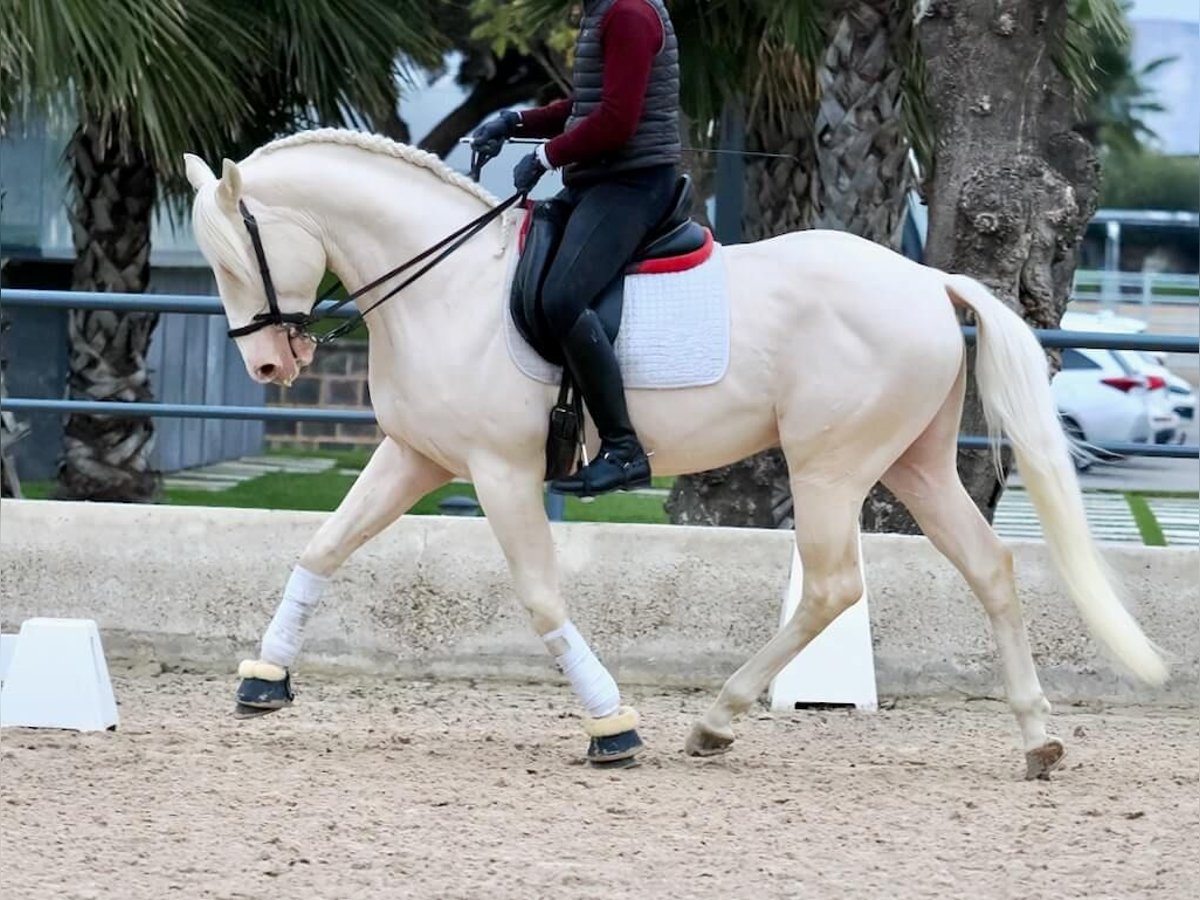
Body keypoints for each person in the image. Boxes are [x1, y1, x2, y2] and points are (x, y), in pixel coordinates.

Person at [471, 0, 681, 497]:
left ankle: (623, 448)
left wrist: (546, 156)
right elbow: (588, 106)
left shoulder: (628, 12)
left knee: (564, 297)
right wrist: (515, 122)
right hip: (600, 181)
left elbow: (617, 120)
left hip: (632, 186)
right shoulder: (602, 10)